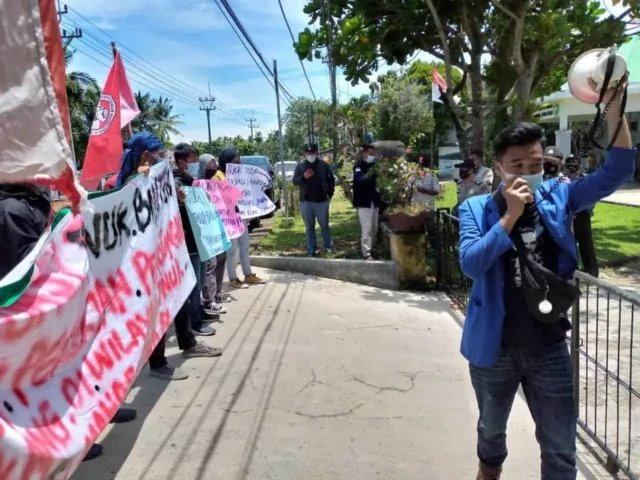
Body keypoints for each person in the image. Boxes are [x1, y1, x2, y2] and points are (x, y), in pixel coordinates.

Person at [458, 78, 633, 480]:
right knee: (492, 426)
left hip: (549, 344)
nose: (529, 172)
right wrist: (510, 217)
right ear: (499, 167)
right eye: (518, 166)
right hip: (493, 348)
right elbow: (471, 263)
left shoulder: (559, 196)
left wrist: (616, 109)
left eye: (536, 164)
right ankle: (489, 466)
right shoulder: (476, 209)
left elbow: (616, 170)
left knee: (559, 446)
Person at [0, 183, 138, 462]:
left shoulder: (26, 200)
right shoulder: (11, 210)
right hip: (41, 319)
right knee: (51, 382)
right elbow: (28, 271)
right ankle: (66, 444)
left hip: (63, 311)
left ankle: (99, 413)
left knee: (82, 366)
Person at [115, 134, 221, 381]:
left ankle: (188, 344)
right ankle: (157, 362)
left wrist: (178, 200)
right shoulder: (136, 180)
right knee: (156, 307)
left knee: (180, 296)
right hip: (145, 257)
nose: (164, 158)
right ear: (145, 155)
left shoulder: (158, 178)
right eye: (159, 154)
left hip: (166, 250)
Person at [173, 143, 218, 335]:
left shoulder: (189, 180)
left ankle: (199, 310)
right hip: (188, 239)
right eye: (192, 160)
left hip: (198, 239)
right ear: (181, 161)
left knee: (200, 279)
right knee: (194, 283)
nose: (195, 164)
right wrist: (180, 201)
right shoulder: (175, 183)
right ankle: (195, 322)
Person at [218, 147, 266, 287]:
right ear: (226, 162)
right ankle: (233, 278)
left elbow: (246, 194)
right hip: (229, 219)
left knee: (245, 246)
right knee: (232, 249)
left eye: (239, 162)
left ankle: (248, 274)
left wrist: (249, 210)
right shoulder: (219, 177)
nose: (237, 165)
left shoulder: (240, 176)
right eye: (234, 162)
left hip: (241, 215)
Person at [197, 153, 231, 312]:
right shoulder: (196, 185)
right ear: (203, 166)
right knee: (210, 264)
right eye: (209, 166)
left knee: (221, 259)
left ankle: (217, 292)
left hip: (219, 226)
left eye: (214, 165)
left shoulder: (216, 183)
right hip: (207, 230)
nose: (213, 168)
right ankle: (208, 299)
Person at [292, 143, 336, 257]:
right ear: (304, 154)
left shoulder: (324, 165)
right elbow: (295, 181)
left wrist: (330, 194)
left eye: (312, 153)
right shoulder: (300, 166)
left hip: (321, 201)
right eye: (308, 153)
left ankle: (328, 247)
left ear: (316, 153)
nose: (310, 155)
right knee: (309, 227)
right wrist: (303, 177)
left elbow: (331, 180)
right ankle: (311, 249)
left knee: (324, 226)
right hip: (306, 202)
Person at [564, 155, 599, 278]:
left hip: (583, 215)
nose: (572, 165)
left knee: (586, 243)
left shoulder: (586, 179)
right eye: (569, 163)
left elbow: (592, 197)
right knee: (571, 244)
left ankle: (592, 271)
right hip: (567, 216)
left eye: (574, 163)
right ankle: (574, 271)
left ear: (579, 165)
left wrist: (585, 209)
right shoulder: (561, 180)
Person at [351, 144, 380, 260]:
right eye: (370, 154)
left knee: (374, 227)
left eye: (374, 155)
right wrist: (374, 173)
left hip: (374, 202)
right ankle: (366, 253)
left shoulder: (375, 167)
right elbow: (361, 181)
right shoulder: (358, 167)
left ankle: (372, 249)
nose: (372, 157)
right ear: (364, 154)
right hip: (364, 203)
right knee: (366, 229)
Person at [412, 165, 440, 252]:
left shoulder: (432, 176)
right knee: (418, 229)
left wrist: (425, 190)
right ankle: (420, 249)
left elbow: (436, 191)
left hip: (428, 207)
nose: (419, 170)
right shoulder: (412, 177)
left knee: (431, 229)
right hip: (416, 207)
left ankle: (435, 250)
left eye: (421, 167)